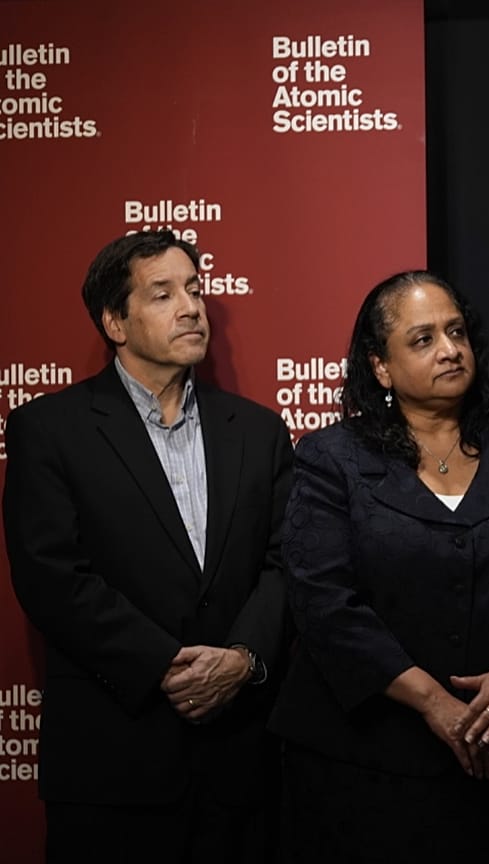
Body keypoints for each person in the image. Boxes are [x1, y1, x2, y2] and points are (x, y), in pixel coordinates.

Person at [269, 270, 489, 861]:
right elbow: (323, 601)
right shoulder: (330, 459)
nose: (450, 349)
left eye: (456, 332)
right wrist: (434, 703)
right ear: (381, 368)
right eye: (422, 340)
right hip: (364, 763)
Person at [3, 231, 292, 863]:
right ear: (115, 321)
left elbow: (285, 564)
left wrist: (242, 659)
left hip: (239, 765)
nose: (191, 307)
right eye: (163, 294)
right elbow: (51, 577)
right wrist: (166, 664)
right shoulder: (48, 430)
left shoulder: (261, 431)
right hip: (113, 763)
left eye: (195, 289)